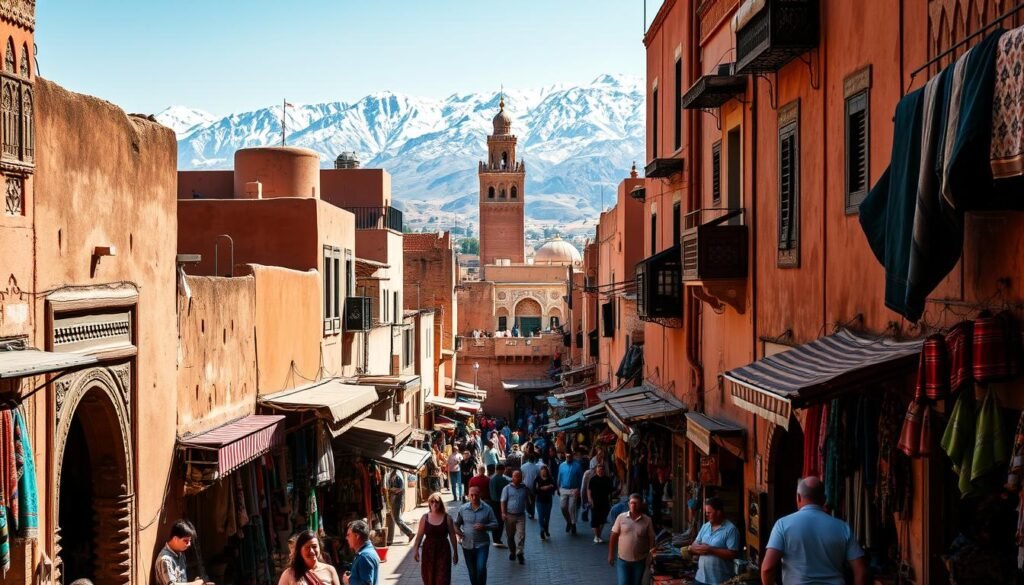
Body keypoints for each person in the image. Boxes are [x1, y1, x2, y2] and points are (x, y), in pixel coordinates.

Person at [761, 477, 868, 585]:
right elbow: (861, 571)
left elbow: (767, 568)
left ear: (798, 497)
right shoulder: (843, 528)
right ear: (824, 499)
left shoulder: (782, 525)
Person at [454, 486, 499, 585]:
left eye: (476, 495)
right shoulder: (463, 509)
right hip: (467, 545)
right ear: (468, 496)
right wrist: (458, 532)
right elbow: (456, 524)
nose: (474, 497)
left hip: (482, 544)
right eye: (471, 495)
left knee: (481, 568)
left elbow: (495, 524)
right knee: (472, 571)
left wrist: (485, 527)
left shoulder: (487, 509)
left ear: (480, 495)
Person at [690, 497, 740, 585]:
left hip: (719, 580)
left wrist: (710, 550)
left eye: (709, 513)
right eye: (706, 513)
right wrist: (697, 549)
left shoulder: (731, 529)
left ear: (718, 512)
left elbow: (732, 554)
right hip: (700, 578)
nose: (707, 515)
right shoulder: (705, 526)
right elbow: (693, 545)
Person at [413, 492, 459, 585]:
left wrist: (455, 552)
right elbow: (419, 536)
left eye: (436, 502)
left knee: (442, 578)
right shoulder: (425, 518)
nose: (434, 504)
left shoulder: (447, 518)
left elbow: (452, 536)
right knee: (428, 577)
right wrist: (416, 550)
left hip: (443, 550)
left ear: (440, 503)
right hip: (428, 551)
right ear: (429, 503)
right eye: (432, 502)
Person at [608, 493, 655, 585]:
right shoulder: (621, 518)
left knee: (636, 583)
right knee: (623, 583)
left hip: (640, 560)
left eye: (636, 503)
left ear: (641, 504)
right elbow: (613, 536)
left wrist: (650, 555)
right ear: (628, 504)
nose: (633, 505)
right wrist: (611, 554)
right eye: (631, 503)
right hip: (623, 560)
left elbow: (651, 538)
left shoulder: (647, 520)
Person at [155, 520, 212, 585]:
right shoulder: (165, 560)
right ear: (175, 539)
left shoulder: (180, 554)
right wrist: (194, 584)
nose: (189, 544)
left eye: (190, 540)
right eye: (186, 541)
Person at [277, 529, 342, 585]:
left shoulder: (330, 570)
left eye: (314, 546)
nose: (311, 551)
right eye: (307, 548)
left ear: (320, 547)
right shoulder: (289, 574)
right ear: (300, 550)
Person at [500, 470, 529, 564]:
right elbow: (503, 501)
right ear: (512, 477)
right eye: (515, 476)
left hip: (521, 515)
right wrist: (503, 513)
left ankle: (519, 553)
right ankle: (512, 551)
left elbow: (529, 498)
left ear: (522, 478)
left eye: (519, 476)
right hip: (509, 516)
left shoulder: (524, 488)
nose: (517, 478)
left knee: (521, 535)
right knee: (510, 536)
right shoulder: (507, 488)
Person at [343, 521, 379, 585]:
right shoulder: (367, 551)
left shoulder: (364, 556)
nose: (346, 538)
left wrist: (349, 581)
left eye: (348, 535)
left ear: (357, 536)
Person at [557, 449, 584, 535]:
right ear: (565, 456)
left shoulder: (577, 466)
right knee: (563, 507)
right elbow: (559, 476)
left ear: (572, 456)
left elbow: (581, 478)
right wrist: (558, 487)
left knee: (572, 507)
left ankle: (573, 524)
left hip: (574, 489)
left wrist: (579, 489)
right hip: (564, 488)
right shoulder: (561, 465)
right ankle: (568, 521)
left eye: (570, 456)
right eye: (567, 456)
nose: (568, 458)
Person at [386, 469, 416, 544]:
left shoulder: (396, 475)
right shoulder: (395, 473)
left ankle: (410, 533)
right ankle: (409, 533)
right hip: (396, 498)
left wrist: (390, 491)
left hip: (397, 499)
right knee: (396, 518)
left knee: (397, 518)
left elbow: (400, 489)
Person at [588, 463, 614, 544]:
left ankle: (599, 535)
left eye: (602, 470)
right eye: (599, 470)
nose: (600, 471)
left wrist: (610, 500)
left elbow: (610, 491)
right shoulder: (593, 479)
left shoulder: (607, 479)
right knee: (595, 519)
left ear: (604, 470)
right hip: (595, 502)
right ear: (596, 470)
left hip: (605, 501)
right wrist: (590, 499)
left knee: (603, 519)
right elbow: (589, 491)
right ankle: (596, 536)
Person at [488, 464, 511, 546]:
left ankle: (495, 538)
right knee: (500, 521)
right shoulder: (502, 479)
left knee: (494, 520)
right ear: (502, 470)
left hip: (492, 502)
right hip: (499, 502)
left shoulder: (491, 478)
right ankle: (497, 539)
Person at [533, 464, 557, 541]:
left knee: (547, 517)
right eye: (542, 471)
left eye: (545, 471)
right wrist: (541, 488)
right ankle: (542, 530)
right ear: (540, 472)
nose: (543, 473)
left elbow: (555, 486)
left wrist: (549, 487)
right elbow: (534, 490)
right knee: (540, 516)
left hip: (548, 500)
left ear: (547, 472)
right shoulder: (537, 479)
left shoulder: (550, 479)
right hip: (539, 500)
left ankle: (546, 529)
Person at [520, 454, 540, 520]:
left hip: (525, 485)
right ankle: (532, 513)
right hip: (533, 486)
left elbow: (521, 477)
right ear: (534, 460)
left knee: (527, 500)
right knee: (533, 500)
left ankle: (529, 512)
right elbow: (538, 477)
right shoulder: (537, 467)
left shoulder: (523, 466)